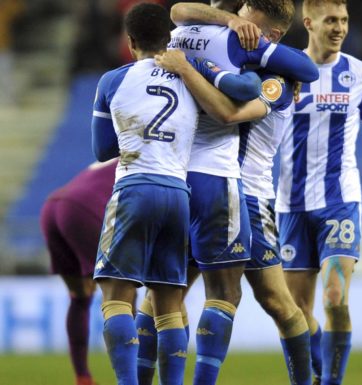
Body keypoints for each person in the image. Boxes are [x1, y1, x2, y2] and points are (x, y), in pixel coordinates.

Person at [132, 2, 318, 384]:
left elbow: (230, 114)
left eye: (251, 25)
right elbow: (182, 10)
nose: (240, 29)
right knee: (164, 297)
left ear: (272, 36)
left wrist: (188, 68)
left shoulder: (276, 79)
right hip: (202, 187)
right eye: (241, 16)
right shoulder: (228, 58)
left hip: (248, 195)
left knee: (276, 301)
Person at [277, 1, 362, 383]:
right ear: (309, 22)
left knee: (335, 298)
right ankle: (310, 375)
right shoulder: (282, 70)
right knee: (295, 313)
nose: (339, 28)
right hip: (290, 205)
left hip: (339, 202)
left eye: (344, 20)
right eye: (331, 20)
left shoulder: (360, 74)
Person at [90, 3, 200, 384]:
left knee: (116, 297)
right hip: (178, 193)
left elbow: (102, 150)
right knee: (169, 303)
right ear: (167, 38)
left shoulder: (113, 81)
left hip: (136, 187)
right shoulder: (191, 77)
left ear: (130, 40)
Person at [41, 158, 117, 385]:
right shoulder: (152, 154)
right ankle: (129, 376)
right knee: (122, 292)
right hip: (81, 208)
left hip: (53, 205)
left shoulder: (111, 154)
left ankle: (83, 377)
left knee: (80, 296)